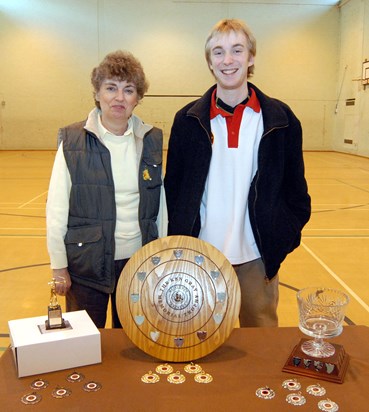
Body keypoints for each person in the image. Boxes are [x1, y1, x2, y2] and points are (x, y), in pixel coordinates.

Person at [164, 19, 311, 327]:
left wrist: (281, 236)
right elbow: (173, 188)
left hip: (257, 256)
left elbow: (296, 191)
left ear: (251, 57)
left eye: (237, 50)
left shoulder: (281, 119)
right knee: (196, 336)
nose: (227, 60)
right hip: (200, 253)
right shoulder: (188, 120)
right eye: (218, 52)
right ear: (209, 61)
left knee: (260, 337)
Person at [46, 50, 165, 328]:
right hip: (86, 266)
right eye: (111, 88)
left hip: (138, 265)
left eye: (129, 90)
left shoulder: (151, 139)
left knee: (132, 344)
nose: (119, 97)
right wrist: (59, 265)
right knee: (87, 343)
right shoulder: (73, 141)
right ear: (97, 93)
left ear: (138, 98)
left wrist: (160, 257)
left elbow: (160, 206)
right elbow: (56, 208)